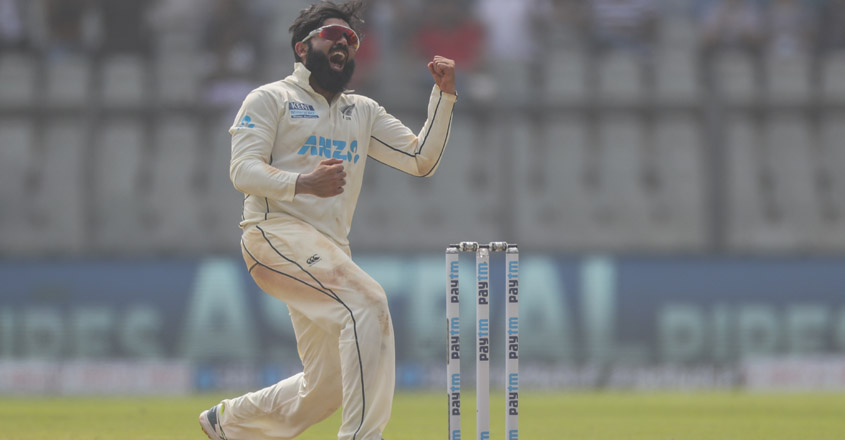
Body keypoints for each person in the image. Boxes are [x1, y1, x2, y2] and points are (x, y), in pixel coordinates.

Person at [198, 1, 457, 440]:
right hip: (272, 235)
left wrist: (444, 96)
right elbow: (242, 171)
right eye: (333, 35)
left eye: (351, 40)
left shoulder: (363, 111)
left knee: (327, 385)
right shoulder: (270, 99)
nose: (344, 43)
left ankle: (230, 422)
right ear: (302, 48)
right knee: (369, 303)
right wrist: (303, 183)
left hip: (327, 250)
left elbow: (420, 159)